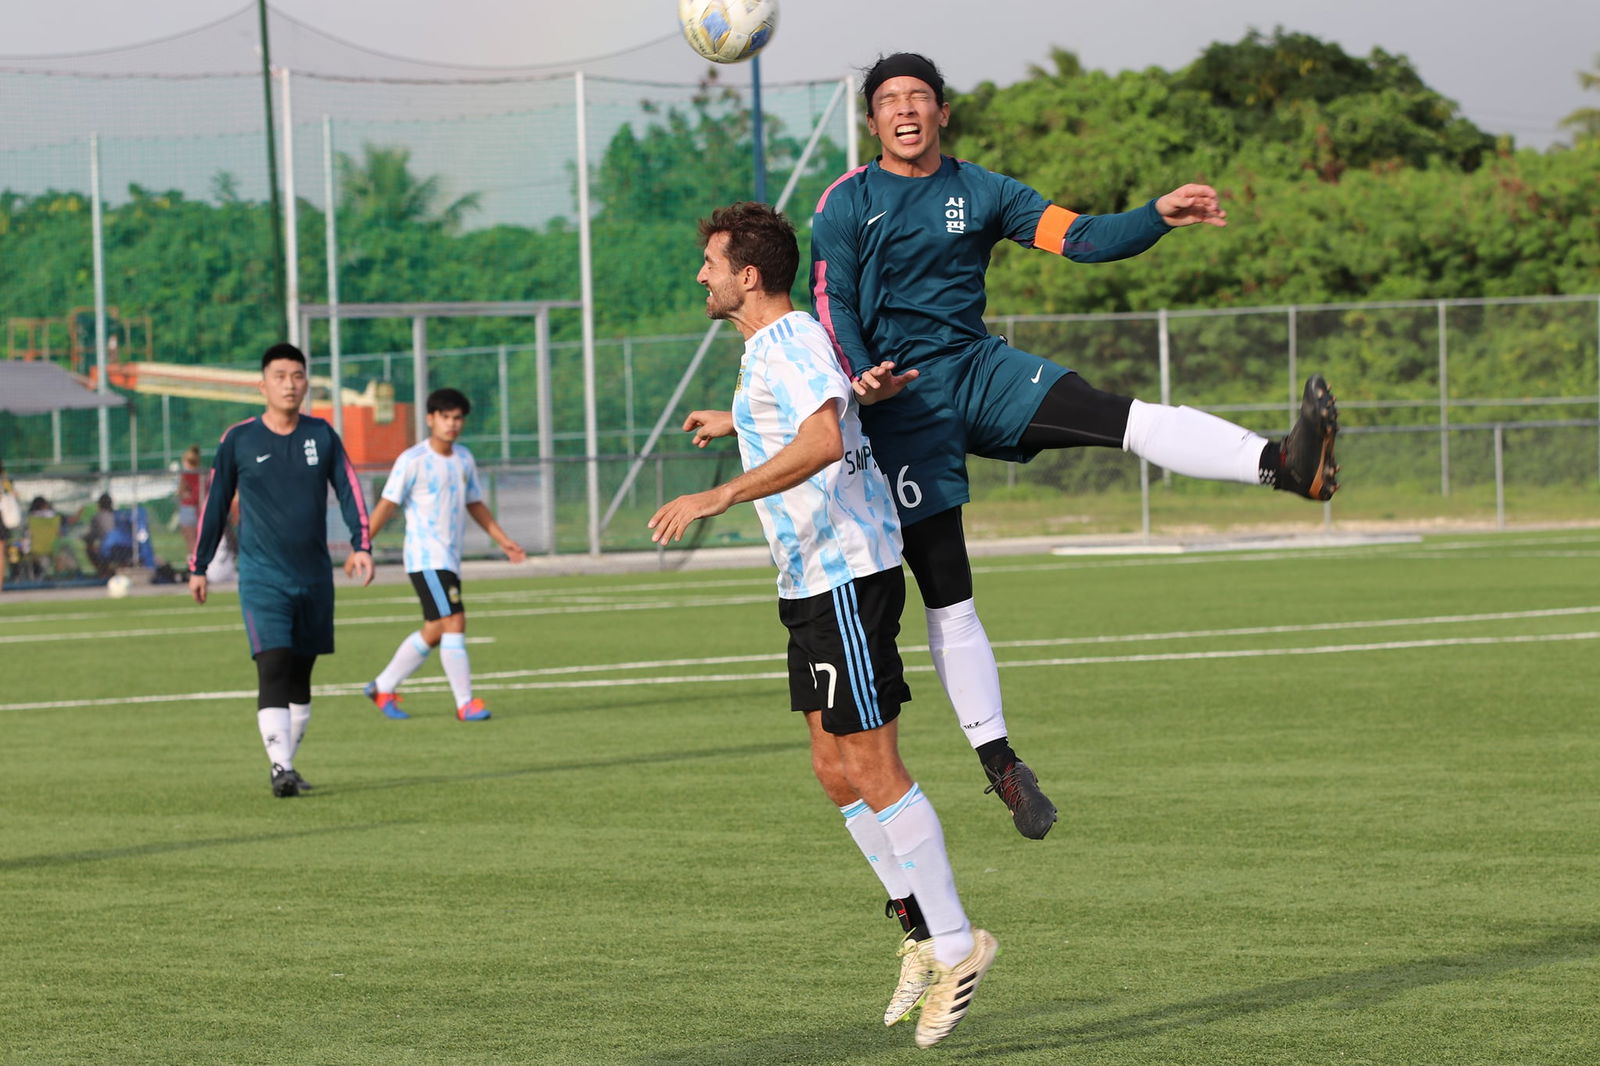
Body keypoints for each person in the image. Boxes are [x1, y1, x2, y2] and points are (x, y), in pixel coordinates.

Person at [810, 52, 1341, 840]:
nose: (906, 109)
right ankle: (1002, 767)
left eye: (920, 96)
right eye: (890, 100)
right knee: (949, 593)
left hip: (981, 371)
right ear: (873, 121)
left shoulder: (982, 189)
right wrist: (861, 381)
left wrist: (1157, 214)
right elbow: (834, 303)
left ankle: (1286, 466)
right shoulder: (847, 202)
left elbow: (1080, 238)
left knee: (1119, 416)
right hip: (898, 411)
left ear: (944, 112)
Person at [649, 201, 997, 1049]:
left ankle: (959, 943)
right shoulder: (774, 345)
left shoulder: (792, 338)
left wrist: (720, 493)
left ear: (749, 275)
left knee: (872, 763)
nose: (702, 274)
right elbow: (817, 410)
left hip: (846, 570)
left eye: (711, 262)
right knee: (831, 767)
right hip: (810, 579)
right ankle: (919, 931)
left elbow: (827, 437)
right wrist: (736, 424)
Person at [189, 342, 374, 798]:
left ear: (306, 382)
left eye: (297, 376)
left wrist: (361, 545)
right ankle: (280, 769)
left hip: (313, 576)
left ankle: (287, 762)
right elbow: (214, 505)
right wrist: (198, 564)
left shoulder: (323, 434)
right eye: (279, 376)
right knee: (272, 662)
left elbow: (349, 490)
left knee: (300, 673)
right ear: (262, 384)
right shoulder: (239, 440)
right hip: (261, 575)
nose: (289, 384)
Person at [363, 387, 525, 722]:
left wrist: (503, 539)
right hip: (425, 559)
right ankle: (465, 703)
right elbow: (386, 505)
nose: (452, 424)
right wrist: (361, 544)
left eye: (457, 418)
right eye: (445, 417)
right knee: (454, 620)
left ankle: (383, 685)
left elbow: (475, 504)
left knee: (436, 628)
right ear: (430, 419)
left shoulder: (464, 458)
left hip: (449, 559)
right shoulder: (412, 460)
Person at [177, 444, 203, 560]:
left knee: (190, 538)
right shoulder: (201, 474)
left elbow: (181, 492)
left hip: (188, 508)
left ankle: (194, 562)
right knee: (198, 537)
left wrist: (182, 494)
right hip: (199, 508)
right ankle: (197, 559)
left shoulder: (186, 474)